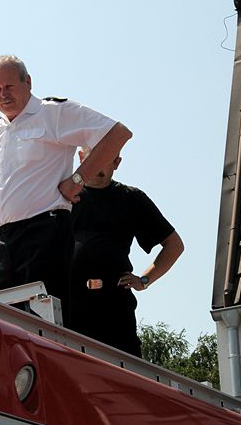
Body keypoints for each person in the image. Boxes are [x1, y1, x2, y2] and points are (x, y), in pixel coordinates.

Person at [0, 55, 132, 322]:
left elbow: (117, 134)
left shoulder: (52, 113)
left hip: (43, 230)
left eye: (9, 86)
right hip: (4, 242)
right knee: (9, 322)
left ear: (28, 82)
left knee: (43, 320)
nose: (3, 94)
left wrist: (78, 180)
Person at [69, 147, 184, 357]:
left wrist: (144, 280)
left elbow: (174, 245)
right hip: (70, 305)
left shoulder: (131, 199)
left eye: (104, 157)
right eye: (92, 156)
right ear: (81, 157)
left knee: (124, 373)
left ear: (117, 162)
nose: (97, 164)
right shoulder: (64, 196)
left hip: (114, 307)